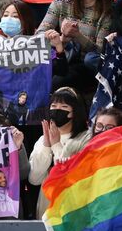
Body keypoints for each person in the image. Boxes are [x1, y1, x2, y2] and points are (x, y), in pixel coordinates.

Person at [37, 0, 113, 91]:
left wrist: (77, 36)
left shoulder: (107, 9)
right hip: (61, 57)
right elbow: (40, 33)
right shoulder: (63, 0)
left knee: (58, 81)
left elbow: (99, 52)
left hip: (86, 65)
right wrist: (61, 39)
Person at [29, 87, 91, 218]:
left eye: (64, 106)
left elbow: (72, 175)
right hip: (47, 206)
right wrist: (46, 145)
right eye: (54, 105)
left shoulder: (86, 137)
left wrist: (56, 145)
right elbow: (34, 179)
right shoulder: (42, 139)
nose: (57, 110)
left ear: (75, 111)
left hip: (74, 207)